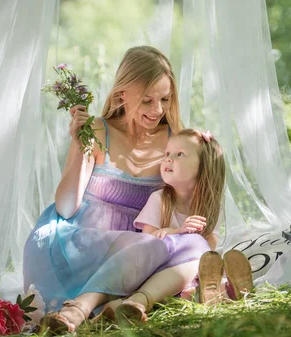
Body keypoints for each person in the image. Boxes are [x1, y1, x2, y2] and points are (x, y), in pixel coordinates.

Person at [23, 46, 212, 333]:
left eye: (164, 99)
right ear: (122, 94)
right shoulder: (99, 130)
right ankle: (98, 303)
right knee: (148, 246)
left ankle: (121, 304)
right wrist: (79, 144)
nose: (157, 110)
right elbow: (65, 207)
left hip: (141, 247)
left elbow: (186, 199)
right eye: (147, 100)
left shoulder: (174, 140)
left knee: (196, 246)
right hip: (82, 244)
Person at [104, 129, 226, 320]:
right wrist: (176, 232)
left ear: (205, 166)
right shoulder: (159, 199)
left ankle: (220, 290)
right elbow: (145, 243)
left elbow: (208, 250)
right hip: (157, 270)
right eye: (167, 154)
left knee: (207, 269)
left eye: (180, 154)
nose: (168, 159)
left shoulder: (211, 206)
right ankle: (139, 302)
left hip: (189, 269)